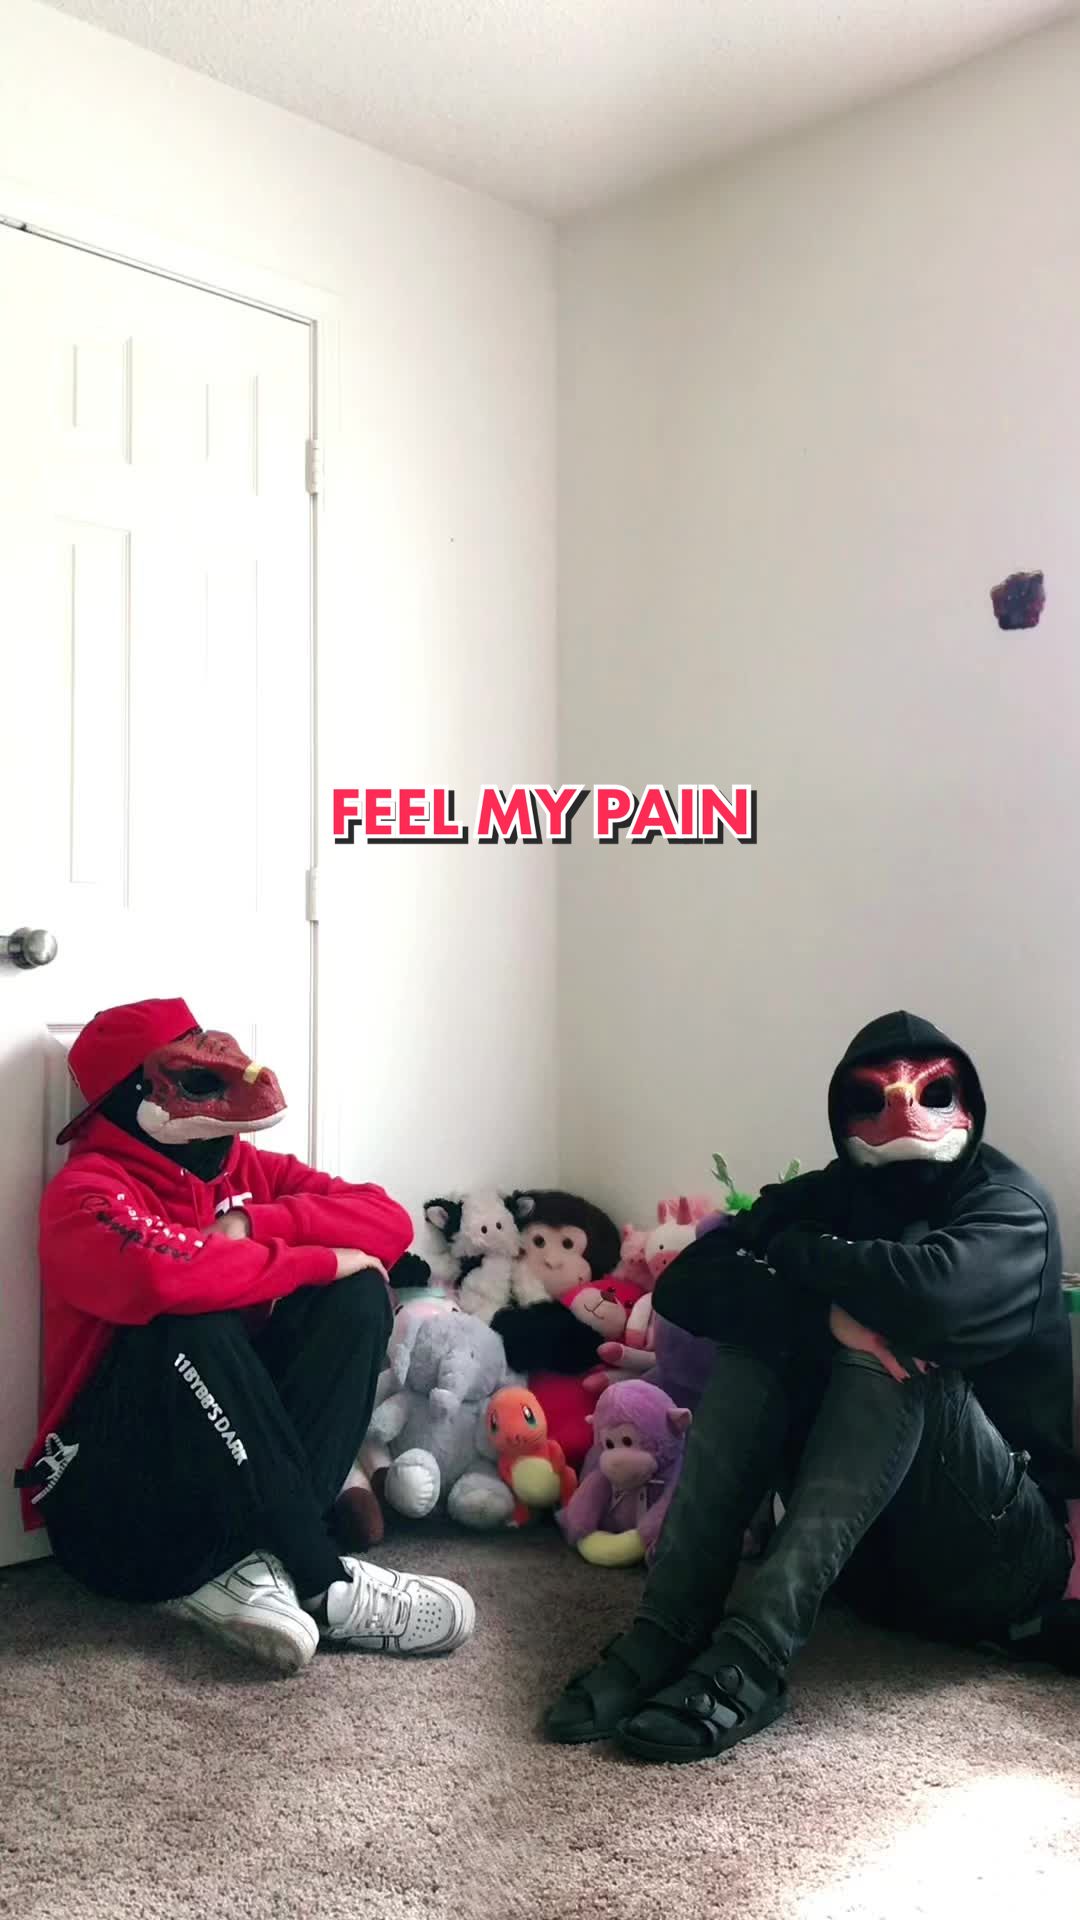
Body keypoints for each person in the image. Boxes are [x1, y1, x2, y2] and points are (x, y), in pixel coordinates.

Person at [545, 1010, 1080, 1763]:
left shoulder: (1010, 1207)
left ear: (966, 1099)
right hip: (867, 1564)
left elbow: (929, 1296)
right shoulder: (831, 1194)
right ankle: (668, 1625)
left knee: (897, 1350)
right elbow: (690, 1282)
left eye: (933, 1093)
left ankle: (757, 1652)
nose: (905, 1113)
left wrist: (792, 1250)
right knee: (764, 1338)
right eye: (874, 1098)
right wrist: (825, 1314)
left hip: (998, 1562)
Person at [15, 997, 475, 1677]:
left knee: (356, 1293)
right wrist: (317, 1257)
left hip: (233, 1488)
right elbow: (164, 1279)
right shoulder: (85, 1196)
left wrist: (257, 1224)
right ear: (135, 1097)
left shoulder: (248, 1172)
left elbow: (386, 1219)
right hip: (115, 1518)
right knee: (187, 1315)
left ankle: (254, 1568)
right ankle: (321, 1578)